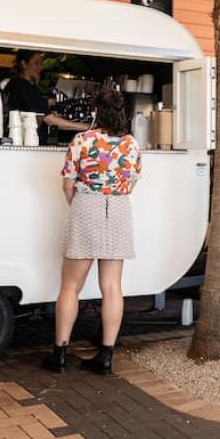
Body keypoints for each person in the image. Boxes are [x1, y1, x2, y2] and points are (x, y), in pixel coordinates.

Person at [42, 88, 141, 375]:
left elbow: (67, 184)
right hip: (120, 209)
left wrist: (81, 203)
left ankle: (60, 354)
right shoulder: (131, 144)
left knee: (70, 286)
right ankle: (106, 356)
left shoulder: (82, 140)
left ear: (97, 111)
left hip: (87, 205)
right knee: (111, 286)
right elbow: (133, 183)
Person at [4, 50, 88, 143]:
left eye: (41, 64)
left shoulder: (12, 84)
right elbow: (50, 120)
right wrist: (87, 127)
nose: (40, 68)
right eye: (36, 63)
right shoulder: (26, 88)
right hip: (29, 142)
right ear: (24, 64)